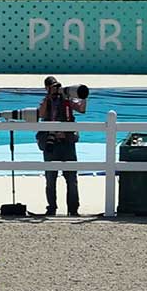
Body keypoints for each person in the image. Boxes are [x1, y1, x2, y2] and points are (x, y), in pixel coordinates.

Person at [37, 75, 87, 217]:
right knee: (50, 179)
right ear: (46, 88)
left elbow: (81, 109)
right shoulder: (45, 101)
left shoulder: (67, 99)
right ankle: (51, 208)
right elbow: (41, 114)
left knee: (71, 179)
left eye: (57, 86)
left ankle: (73, 210)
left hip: (67, 143)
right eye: (52, 87)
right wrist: (48, 97)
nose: (56, 89)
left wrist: (83, 96)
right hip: (51, 144)